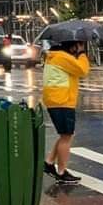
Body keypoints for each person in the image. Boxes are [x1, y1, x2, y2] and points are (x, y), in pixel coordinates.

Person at [42, 40, 90, 184]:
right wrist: (82, 54)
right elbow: (83, 70)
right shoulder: (62, 57)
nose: (78, 49)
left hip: (58, 100)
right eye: (78, 46)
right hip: (62, 101)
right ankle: (61, 172)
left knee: (65, 135)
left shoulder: (56, 56)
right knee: (66, 136)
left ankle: (49, 162)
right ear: (72, 46)